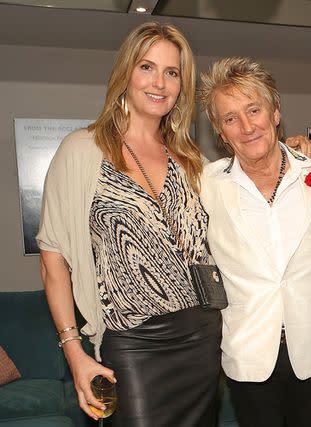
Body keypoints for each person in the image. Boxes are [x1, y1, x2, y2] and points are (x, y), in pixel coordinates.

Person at [37, 22, 221, 426]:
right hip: (133, 345)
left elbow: (249, 197)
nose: (160, 82)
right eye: (147, 67)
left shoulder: (193, 163)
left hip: (203, 340)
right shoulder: (82, 151)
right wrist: (74, 353)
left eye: (172, 72)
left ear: (181, 85)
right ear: (126, 74)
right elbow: (53, 261)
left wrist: (297, 155)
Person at [198, 56, 311, 427]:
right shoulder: (206, 185)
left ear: (275, 112)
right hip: (249, 355)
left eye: (254, 110)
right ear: (221, 133)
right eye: (230, 118)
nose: (246, 127)